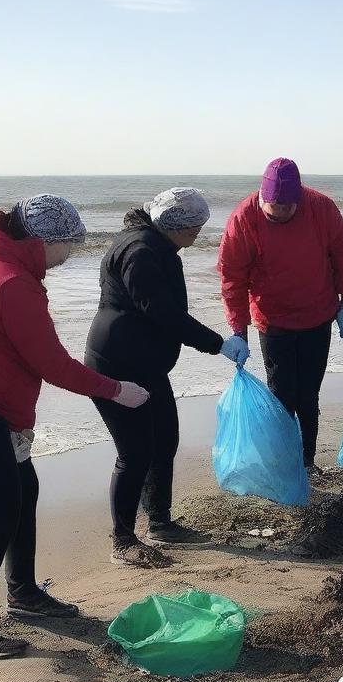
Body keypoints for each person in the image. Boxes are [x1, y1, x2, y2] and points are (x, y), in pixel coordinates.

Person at [0, 195, 149, 659]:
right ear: (44, 241)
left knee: (25, 491)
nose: (70, 257)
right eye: (68, 246)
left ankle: (23, 593)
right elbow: (52, 364)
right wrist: (115, 390)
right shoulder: (10, 282)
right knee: (0, 514)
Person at [86, 188, 249, 567]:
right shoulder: (140, 252)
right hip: (117, 364)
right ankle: (123, 540)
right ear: (172, 225)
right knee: (135, 452)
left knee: (165, 440)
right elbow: (162, 313)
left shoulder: (156, 243)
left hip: (147, 365)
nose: (196, 235)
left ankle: (159, 522)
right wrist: (216, 344)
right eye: (192, 228)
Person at [218, 158, 343, 470]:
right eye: (274, 208)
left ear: (300, 198)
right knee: (282, 396)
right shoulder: (244, 218)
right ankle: (284, 462)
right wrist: (238, 331)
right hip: (273, 319)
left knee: (309, 395)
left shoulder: (321, 208)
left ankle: (307, 462)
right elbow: (232, 278)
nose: (281, 212)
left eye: (288, 207)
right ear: (262, 197)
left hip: (317, 315)